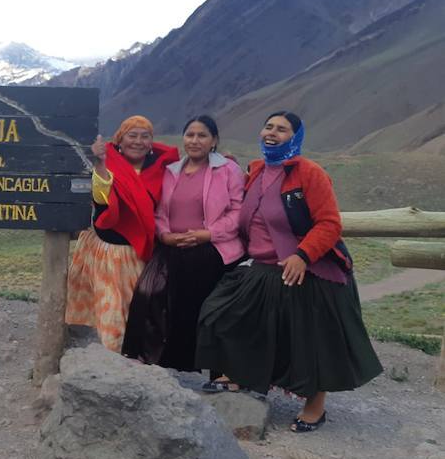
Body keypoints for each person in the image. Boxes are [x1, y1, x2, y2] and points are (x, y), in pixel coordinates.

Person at [195, 112, 383, 432]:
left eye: (282, 129)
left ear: (295, 137)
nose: (273, 133)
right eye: (269, 126)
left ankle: (315, 406)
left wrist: (302, 255)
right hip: (264, 266)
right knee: (219, 313)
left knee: (312, 338)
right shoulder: (255, 170)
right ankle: (241, 376)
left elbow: (329, 223)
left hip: (307, 268)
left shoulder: (310, 173)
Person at [123, 115, 244, 369]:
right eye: (190, 135)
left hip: (211, 249)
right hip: (170, 248)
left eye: (202, 136)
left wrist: (208, 234)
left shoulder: (227, 170)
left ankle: (198, 363)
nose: (195, 141)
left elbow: (237, 212)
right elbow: (159, 212)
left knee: (195, 302)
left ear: (214, 141)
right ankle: (154, 361)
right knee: (147, 294)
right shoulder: (171, 171)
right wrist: (165, 234)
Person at [65, 116, 179, 352]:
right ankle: (114, 362)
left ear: (151, 142)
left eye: (144, 136)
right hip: (108, 252)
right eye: (132, 135)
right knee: (112, 311)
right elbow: (101, 199)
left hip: (141, 252)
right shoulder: (107, 162)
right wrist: (100, 164)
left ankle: (135, 360)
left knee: (137, 310)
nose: (138, 141)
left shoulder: (161, 168)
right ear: (120, 139)